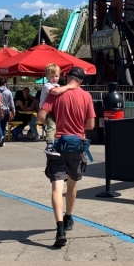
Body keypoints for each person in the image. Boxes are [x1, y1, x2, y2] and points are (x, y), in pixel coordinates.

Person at [38, 67, 96, 249]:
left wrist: (54, 123)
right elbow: (91, 125)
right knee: (72, 184)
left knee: (57, 187)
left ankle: (60, 228)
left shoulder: (56, 93)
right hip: (76, 145)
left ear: (67, 77)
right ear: (81, 81)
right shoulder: (86, 96)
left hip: (57, 144)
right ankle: (69, 217)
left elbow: (41, 116)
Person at [38, 64, 61, 143]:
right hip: (46, 110)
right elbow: (55, 92)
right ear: (47, 77)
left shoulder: (58, 85)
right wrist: (68, 87)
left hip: (54, 109)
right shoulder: (47, 85)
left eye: (56, 76)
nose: (55, 78)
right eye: (52, 76)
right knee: (52, 126)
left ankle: (56, 140)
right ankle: (50, 143)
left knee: (57, 126)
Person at [0, 79, 15, 146]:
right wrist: (13, 110)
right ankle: (3, 140)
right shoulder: (8, 91)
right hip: (6, 109)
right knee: (3, 126)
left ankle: (1, 136)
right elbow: (11, 102)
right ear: (5, 84)